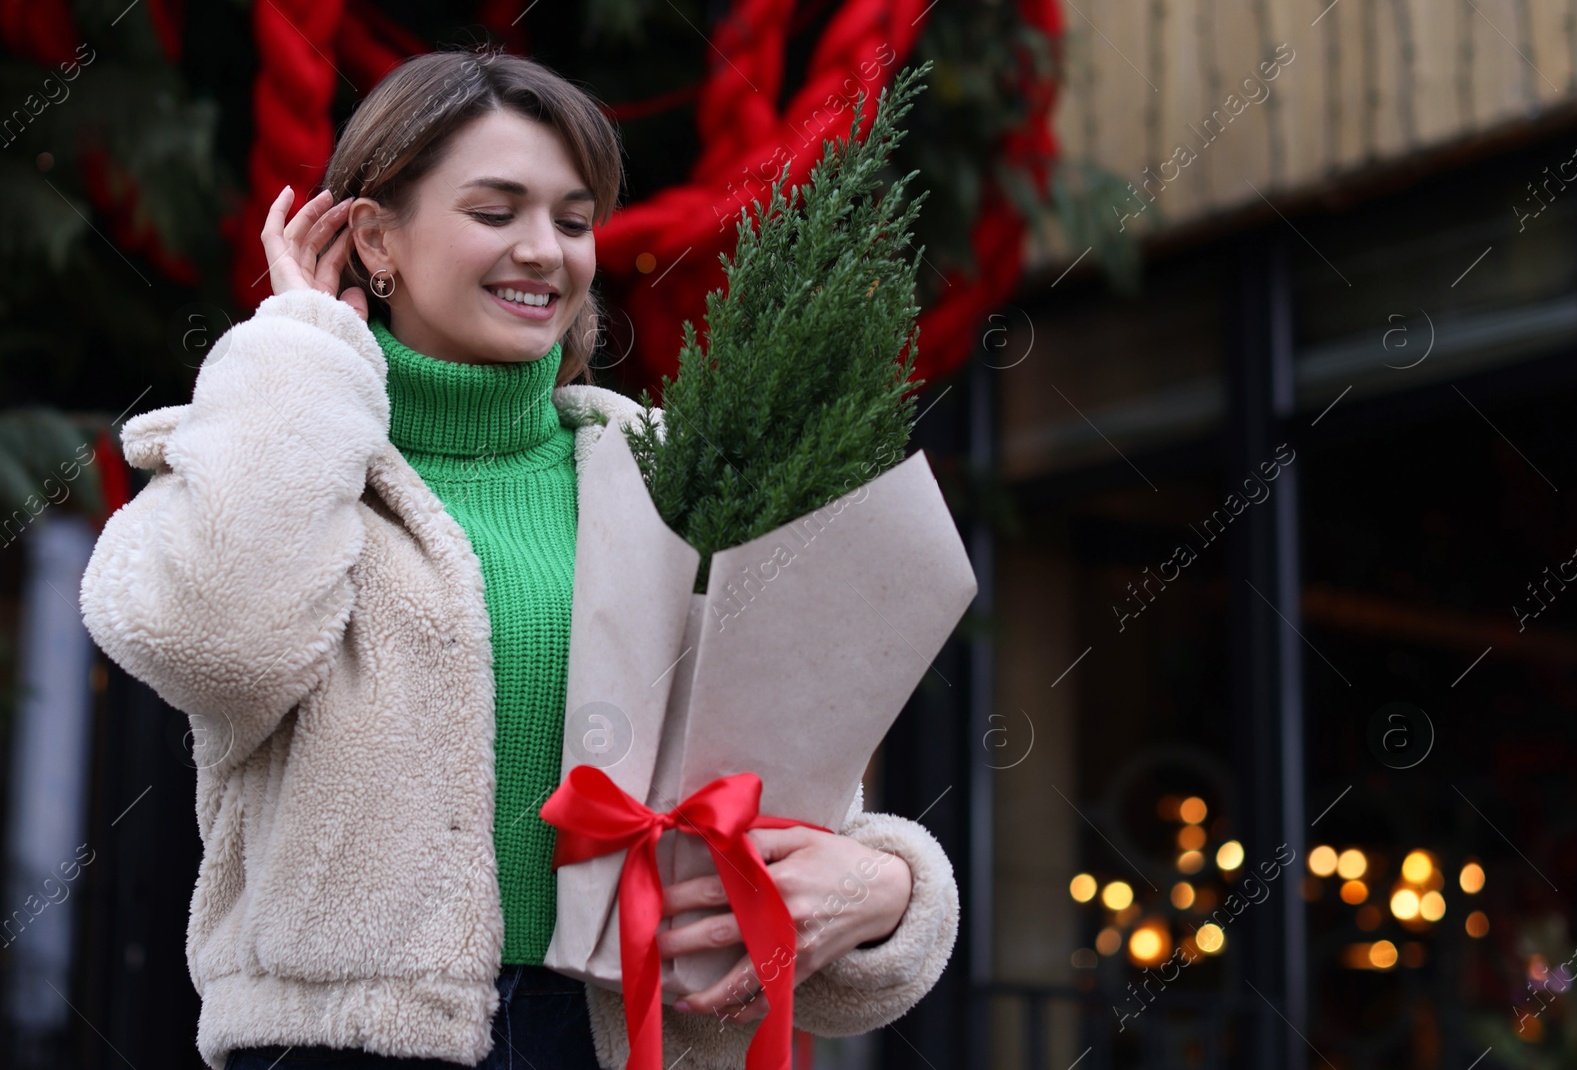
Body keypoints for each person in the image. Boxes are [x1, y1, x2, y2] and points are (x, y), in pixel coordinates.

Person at [78, 48, 958, 1070]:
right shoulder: (268, 452)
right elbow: (217, 644)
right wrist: (303, 347)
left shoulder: (664, 478)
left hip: (631, 1037)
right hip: (347, 1044)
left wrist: (888, 890)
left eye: (573, 220)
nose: (544, 249)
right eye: (495, 212)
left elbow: (795, 791)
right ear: (375, 237)